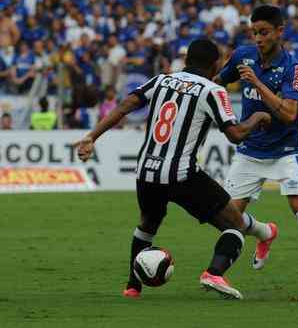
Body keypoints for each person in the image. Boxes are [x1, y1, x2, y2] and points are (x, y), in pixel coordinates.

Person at [74, 38, 271, 300]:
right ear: (215, 65)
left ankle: (133, 286)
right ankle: (214, 273)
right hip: (182, 173)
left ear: (187, 60)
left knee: (148, 224)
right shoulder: (212, 90)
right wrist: (259, 117)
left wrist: (92, 136)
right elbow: (235, 134)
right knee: (234, 225)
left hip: (146, 170)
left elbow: (125, 106)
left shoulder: (160, 80)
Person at [214, 4, 298, 296]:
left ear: (279, 31)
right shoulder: (242, 56)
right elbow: (216, 84)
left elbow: (289, 114)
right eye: (254, 33)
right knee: (228, 218)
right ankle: (265, 233)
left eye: (264, 32)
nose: (258, 38)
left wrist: (256, 82)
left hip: (285, 150)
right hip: (250, 150)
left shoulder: (293, 68)